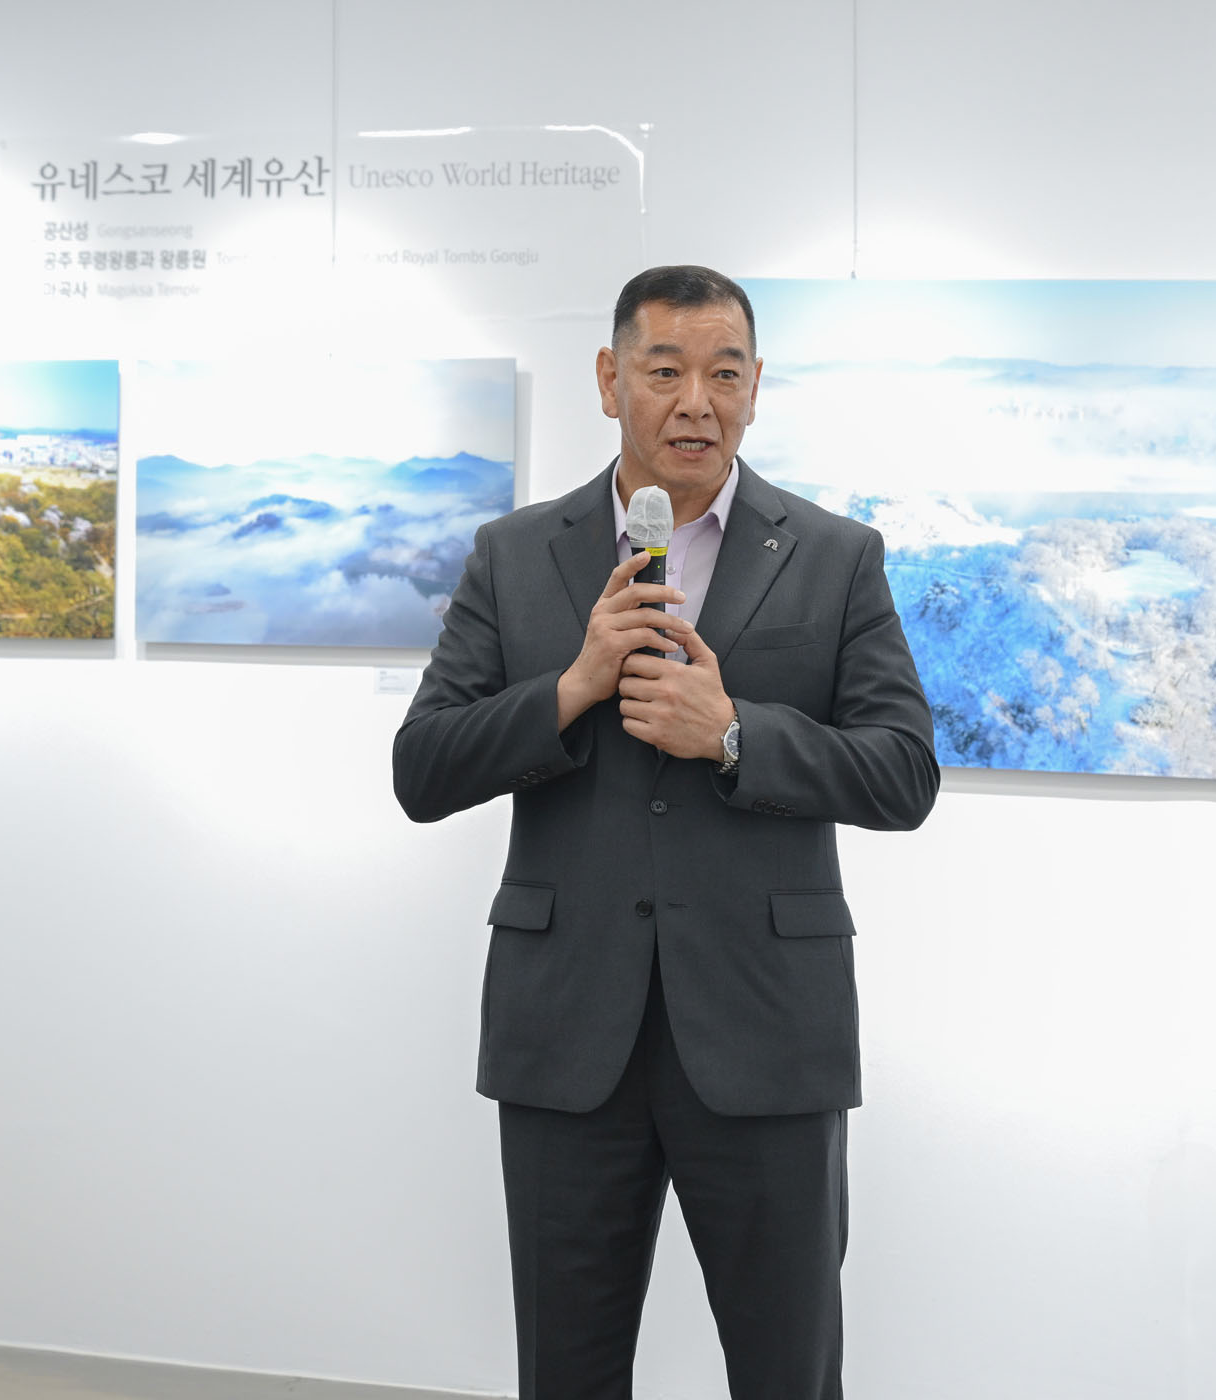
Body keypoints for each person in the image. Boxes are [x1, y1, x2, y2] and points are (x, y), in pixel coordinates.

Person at [393, 264, 939, 1399]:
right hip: (566, 1032)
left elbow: (903, 772)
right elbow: (423, 769)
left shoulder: (835, 555)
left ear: (755, 388)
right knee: (567, 1373)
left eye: (724, 374)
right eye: (665, 371)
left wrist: (734, 733)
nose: (698, 401)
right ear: (609, 380)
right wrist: (572, 686)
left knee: (788, 1371)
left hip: (765, 1028)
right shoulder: (516, 552)